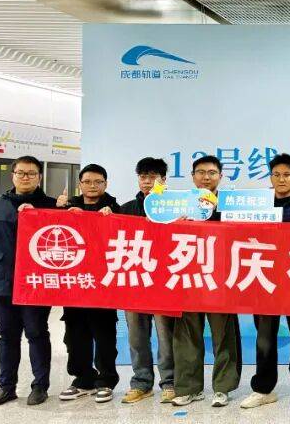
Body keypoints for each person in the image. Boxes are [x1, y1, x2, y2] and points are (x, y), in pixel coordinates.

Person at [241, 153, 290, 410]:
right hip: (264, 277)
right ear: (271, 177)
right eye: (276, 174)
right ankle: (264, 389)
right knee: (264, 338)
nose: (282, 179)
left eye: (287, 174)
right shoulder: (256, 204)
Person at [0, 155, 58, 407]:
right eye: (21, 173)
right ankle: (7, 387)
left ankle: (40, 386)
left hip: (36, 284)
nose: (25, 177)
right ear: (12, 175)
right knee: (7, 335)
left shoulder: (52, 206)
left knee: (36, 332)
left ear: (39, 177)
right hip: (2, 283)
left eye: (31, 173)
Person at [171, 155, 243, 407]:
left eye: (212, 172)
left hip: (221, 278)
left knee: (224, 334)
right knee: (186, 333)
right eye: (200, 172)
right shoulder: (179, 205)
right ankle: (189, 387)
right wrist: (176, 223)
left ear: (220, 177)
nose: (206, 177)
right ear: (193, 177)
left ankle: (223, 387)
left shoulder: (231, 205)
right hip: (188, 275)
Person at [58, 164, 122, 404]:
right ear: (80, 184)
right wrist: (59, 211)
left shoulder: (115, 208)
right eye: (87, 182)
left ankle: (106, 380)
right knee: (75, 335)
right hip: (74, 284)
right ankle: (83, 378)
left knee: (105, 335)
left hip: (103, 285)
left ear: (106, 184)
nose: (92, 186)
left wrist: (113, 218)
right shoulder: (67, 207)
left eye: (98, 182)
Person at [118, 157, 177, 405]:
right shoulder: (126, 209)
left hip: (164, 283)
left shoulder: (174, 208)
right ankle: (141, 383)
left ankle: (170, 382)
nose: (147, 181)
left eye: (153, 177)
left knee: (166, 336)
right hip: (134, 282)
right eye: (143, 177)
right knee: (136, 337)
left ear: (163, 180)